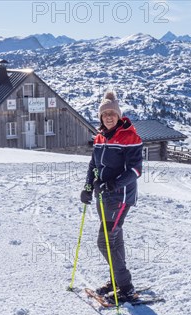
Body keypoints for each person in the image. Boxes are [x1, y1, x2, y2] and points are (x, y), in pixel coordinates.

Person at [80, 90, 143, 301]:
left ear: (118, 116)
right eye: (104, 113)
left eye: (112, 113)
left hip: (121, 197)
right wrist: (88, 187)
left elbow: (135, 171)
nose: (108, 117)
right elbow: (93, 164)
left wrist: (113, 185)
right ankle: (116, 280)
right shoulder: (100, 137)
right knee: (115, 240)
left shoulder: (130, 138)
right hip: (103, 196)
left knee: (104, 241)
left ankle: (125, 286)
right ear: (100, 117)